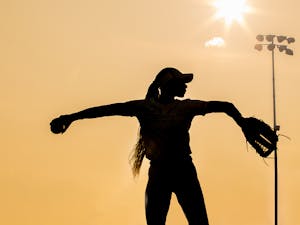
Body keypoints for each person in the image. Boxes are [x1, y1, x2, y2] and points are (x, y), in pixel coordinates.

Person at [50, 67, 245, 225]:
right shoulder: (180, 107)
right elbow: (226, 106)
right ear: (170, 86)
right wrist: (243, 123)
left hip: (165, 172)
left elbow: (107, 110)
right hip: (178, 171)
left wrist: (72, 117)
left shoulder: (150, 108)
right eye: (181, 83)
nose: (185, 86)